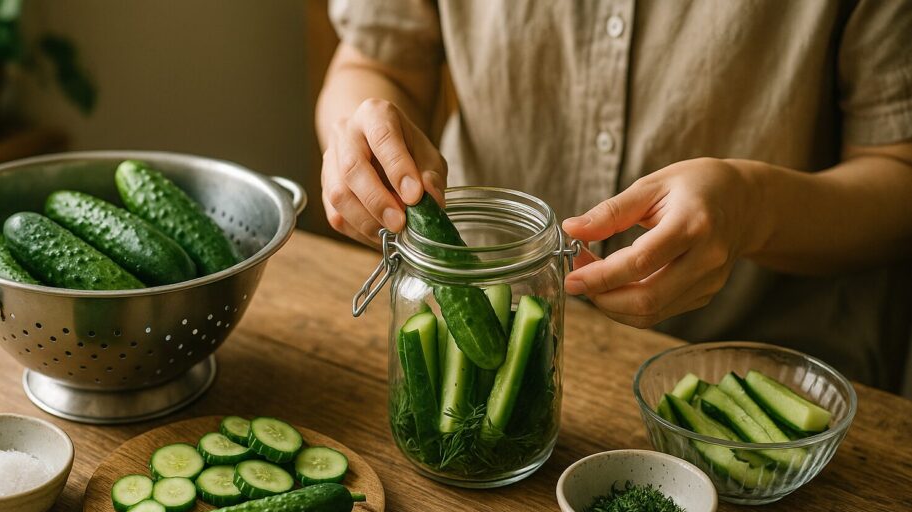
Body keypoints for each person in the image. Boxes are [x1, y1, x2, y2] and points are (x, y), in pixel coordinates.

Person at [315, 0, 912, 393]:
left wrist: (751, 209)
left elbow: (897, 166)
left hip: (762, 369)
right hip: (463, 342)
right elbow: (376, 61)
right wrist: (358, 140)